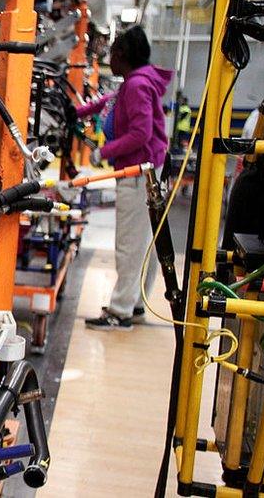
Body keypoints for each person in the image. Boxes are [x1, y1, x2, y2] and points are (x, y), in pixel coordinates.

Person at [82, 25, 173, 331]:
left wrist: (103, 151)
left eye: (111, 53)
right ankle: (133, 304)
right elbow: (109, 101)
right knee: (142, 243)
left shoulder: (136, 85)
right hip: (149, 171)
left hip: (137, 174)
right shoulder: (136, 82)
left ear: (122, 55)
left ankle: (119, 312)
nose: (108, 59)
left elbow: (140, 133)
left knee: (129, 244)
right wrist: (79, 110)